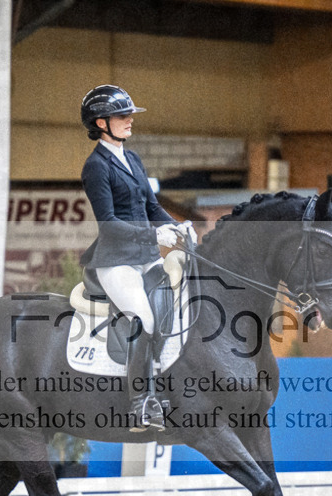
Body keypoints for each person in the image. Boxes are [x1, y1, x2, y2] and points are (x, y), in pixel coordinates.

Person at [79, 84, 187, 432]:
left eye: (129, 115)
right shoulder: (96, 167)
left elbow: (152, 207)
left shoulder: (134, 159)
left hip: (146, 256)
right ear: (101, 122)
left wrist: (178, 227)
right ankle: (141, 403)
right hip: (116, 261)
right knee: (143, 318)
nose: (129, 121)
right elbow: (108, 224)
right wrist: (153, 235)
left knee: (175, 310)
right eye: (122, 116)